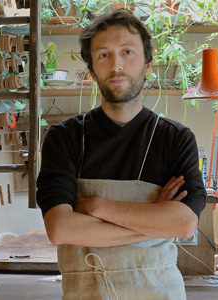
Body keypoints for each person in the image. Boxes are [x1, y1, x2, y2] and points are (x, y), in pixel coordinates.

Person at [36, 9, 207, 300]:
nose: (116, 65)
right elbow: (61, 228)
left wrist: (96, 207)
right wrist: (154, 225)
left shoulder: (175, 138)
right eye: (103, 55)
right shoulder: (64, 138)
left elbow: (185, 223)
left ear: (148, 64)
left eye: (127, 52)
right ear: (91, 71)